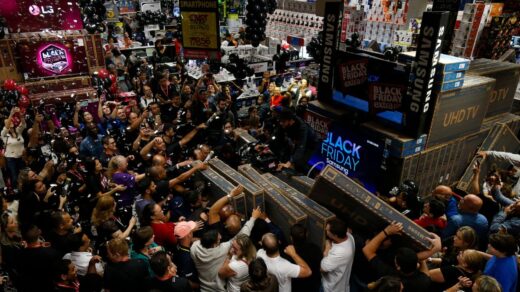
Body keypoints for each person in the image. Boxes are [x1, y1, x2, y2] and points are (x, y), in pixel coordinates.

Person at [190, 207, 261, 292]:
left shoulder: (194, 247)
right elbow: (243, 234)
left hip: (203, 288)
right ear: (214, 244)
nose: (221, 240)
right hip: (219, 289)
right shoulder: (222, 250)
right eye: (219, 240)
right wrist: (253, 218)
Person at [276, 108, 318, 173]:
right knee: (286, 155)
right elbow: (278, 134)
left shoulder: (302, 128)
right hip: (296, 140)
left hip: (310, 144)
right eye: (280, 121)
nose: (281, 123)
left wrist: (290, 162)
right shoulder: (284, 122)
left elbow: (301, 148)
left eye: (283, 122)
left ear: (290, 121)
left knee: (299, 163)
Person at [320, 219, 355, 292]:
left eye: (327, 230)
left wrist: (327, 249)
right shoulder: (349, 236)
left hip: (331, 288)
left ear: (335, 235)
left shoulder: (340, 253)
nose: (325, 230)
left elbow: (322, 269)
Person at [290, 224, 322, 292]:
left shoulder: (288, 254)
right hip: (313, 285)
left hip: (296, 287)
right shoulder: (316, 249)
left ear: (291, 238)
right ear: (307, 234)